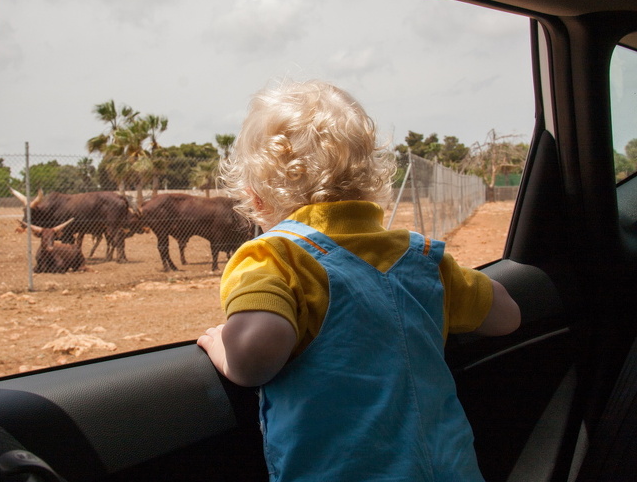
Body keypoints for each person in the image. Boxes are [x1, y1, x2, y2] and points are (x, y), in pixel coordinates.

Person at [196, 79, 521, 482]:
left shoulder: (273, 258)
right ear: (372, 177)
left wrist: (221, 348)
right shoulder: (423, 259)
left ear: (255, 198)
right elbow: (507, 316)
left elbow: (255, 355)